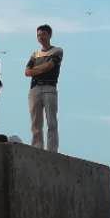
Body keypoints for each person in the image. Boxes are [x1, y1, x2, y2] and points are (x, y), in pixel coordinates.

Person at [25, 23, 63, 152]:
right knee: (35, 121)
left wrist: (35, 70)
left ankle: (52, 150)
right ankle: (37, 147)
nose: (41, 37)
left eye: (43, 34)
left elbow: (50, 66)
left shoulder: (57, 50)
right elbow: (27, 72)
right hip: (35, 88)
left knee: (51, 121)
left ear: (49, 35)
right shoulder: (35, 54)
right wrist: (41, 69)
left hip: (49, 87)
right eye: (38, 35)